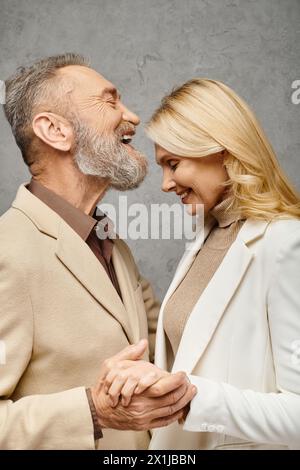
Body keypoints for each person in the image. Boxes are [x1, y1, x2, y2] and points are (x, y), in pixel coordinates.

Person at [0, 53, 196, 450]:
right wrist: (92, 409)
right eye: (109, 101)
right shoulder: (8, 252)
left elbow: (172, 347)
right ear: (55, 130)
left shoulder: (110, 243)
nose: (133, 117)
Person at [109, 78, 300, 449]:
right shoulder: (206, 236)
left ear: (223, 152)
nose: (165, 183)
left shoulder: (286, 244)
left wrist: (187, 398)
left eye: (173, 164)